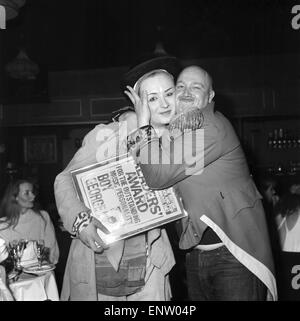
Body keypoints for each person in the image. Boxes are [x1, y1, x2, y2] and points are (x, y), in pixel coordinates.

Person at [125, 65, 277, 301]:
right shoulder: (181, 129)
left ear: (210, 96)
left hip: (232, 254)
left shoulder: (210, 128)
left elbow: (156, 177)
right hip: (197, 255)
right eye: (180, 87)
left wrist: (143, 122)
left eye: (196, 87)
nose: (185, 92)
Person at [54, 56, 181, 301]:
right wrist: (81, 221)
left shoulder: (177, 142)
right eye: (152, 98)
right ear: (137, 103)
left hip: (149, 264)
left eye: (169, 93)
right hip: (99, 259)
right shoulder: (108, 134)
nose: (164, 104)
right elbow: (64, 179)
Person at [0, 179, 59, 265]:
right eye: (27, 193)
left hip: (41, 271)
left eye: (32, 192)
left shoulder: (42, 218)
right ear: (15, 198)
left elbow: (52, 251)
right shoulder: (2, 225)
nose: (33, 196)